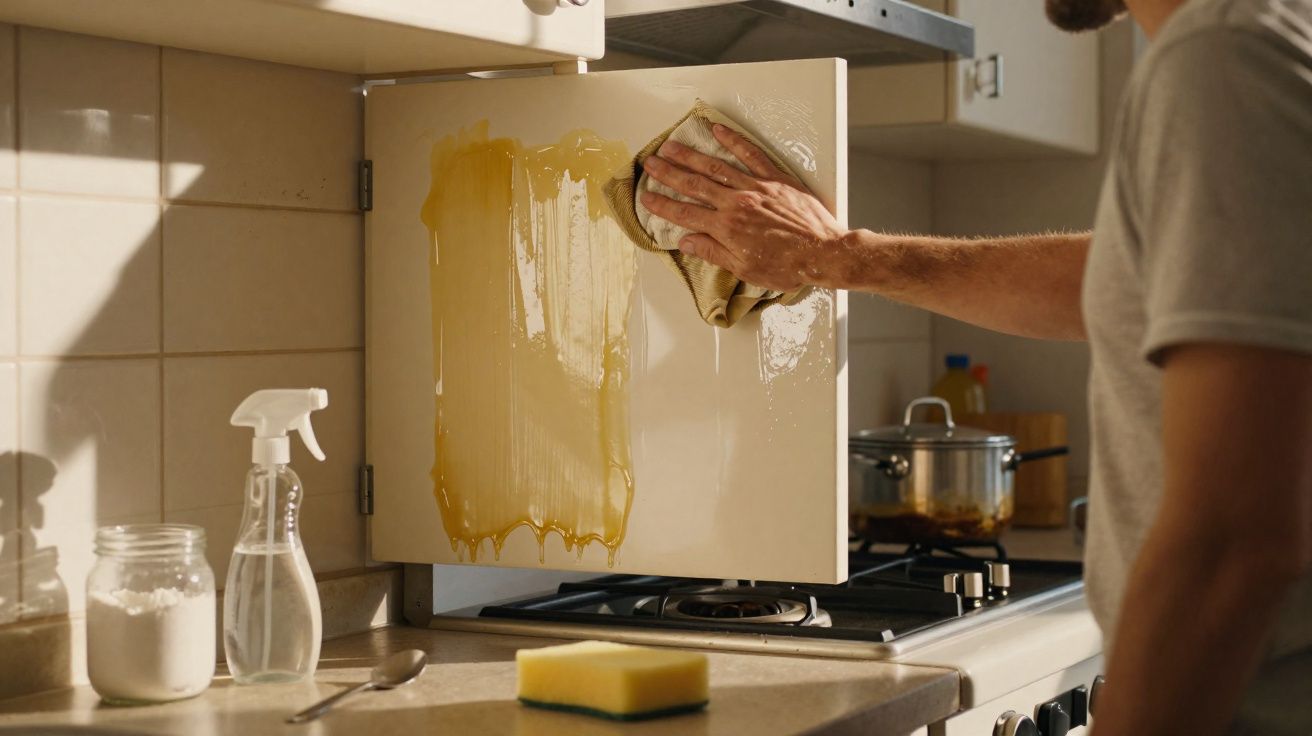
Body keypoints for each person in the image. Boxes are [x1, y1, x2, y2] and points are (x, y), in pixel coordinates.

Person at [637, 0, 1312, 732]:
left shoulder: (1220, 55)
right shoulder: (1253, 46)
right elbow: (1118, 278)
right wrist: (836, 256)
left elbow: (1233, 537)